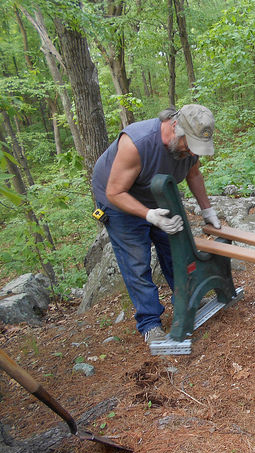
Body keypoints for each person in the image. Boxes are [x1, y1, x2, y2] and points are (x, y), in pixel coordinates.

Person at [92, 104, 222, 346]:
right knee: (136, 261)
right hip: (119, 198)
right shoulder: (137, 143)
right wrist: (149, 216)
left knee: (177, 248)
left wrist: (207, 210)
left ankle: (186, 299)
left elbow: (193, 175)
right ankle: (150, 322)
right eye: (189, 146)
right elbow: (115, 192)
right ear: (176, 128)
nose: (191, 153)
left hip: (159, 194)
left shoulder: (187, 146)